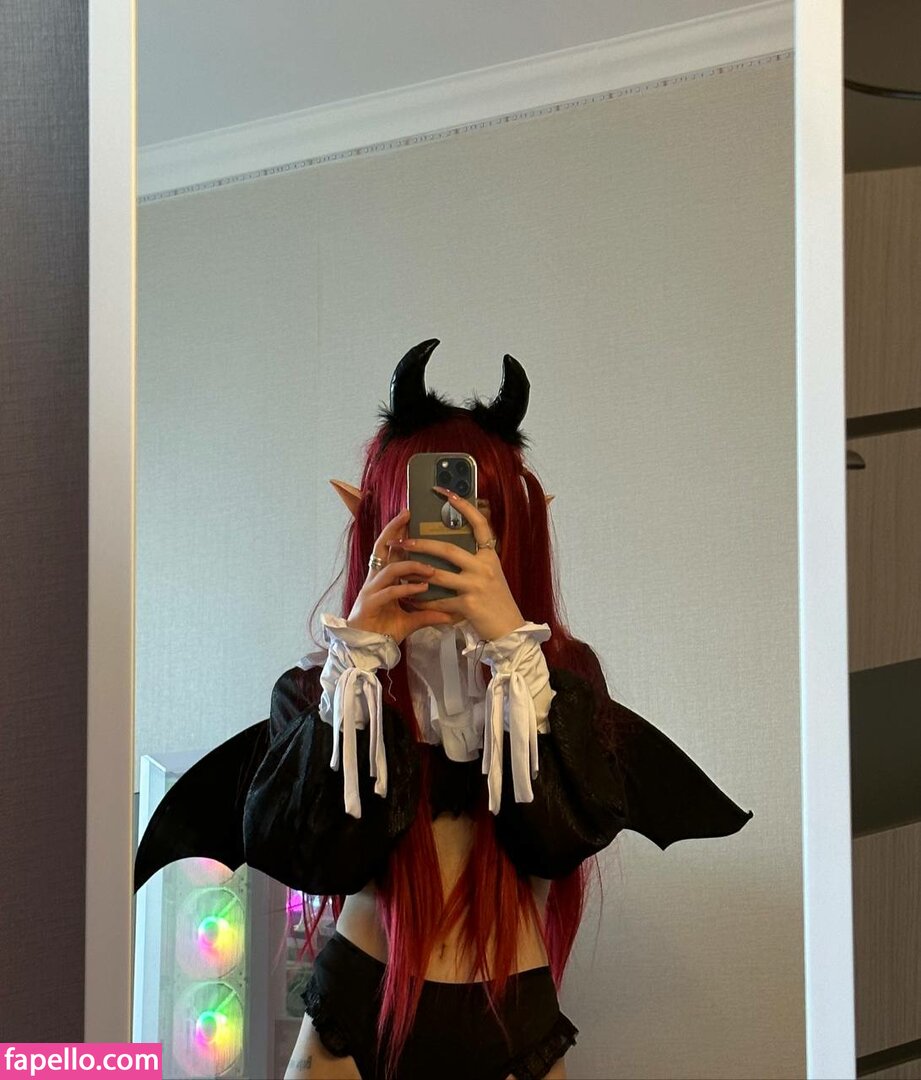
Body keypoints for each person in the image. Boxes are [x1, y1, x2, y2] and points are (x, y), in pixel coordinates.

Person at [134, 338, 754, 1080]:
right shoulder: (324, 689)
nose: (448, 538)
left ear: (515, 527)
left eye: (474, 517)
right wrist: (358, 663)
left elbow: (555, 843)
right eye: (427, 515)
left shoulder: (558, 683)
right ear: (379, 519)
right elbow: (320, 858)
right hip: (358, 1006)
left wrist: (514, 653)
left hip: (511, 1015)